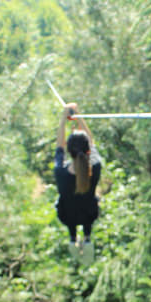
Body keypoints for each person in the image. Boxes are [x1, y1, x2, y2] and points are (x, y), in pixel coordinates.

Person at [54, 103, 101, 265]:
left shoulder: (60, 171)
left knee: (70, 214)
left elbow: (59, 145)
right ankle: (87, 238)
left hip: (67, 215)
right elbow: (90, 139)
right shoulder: (95, 167)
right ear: (88, 149)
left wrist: (63, 118)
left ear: (68, 149)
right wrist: (78, 114)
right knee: (86, 212)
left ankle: (73, 238)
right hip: (90, 212)